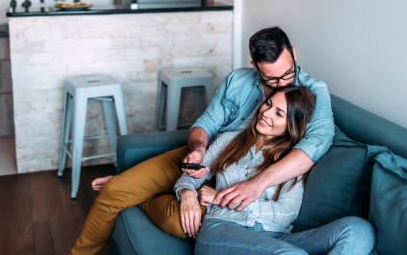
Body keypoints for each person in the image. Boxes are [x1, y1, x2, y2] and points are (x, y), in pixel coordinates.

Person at [70, 27, 335, 254]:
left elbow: (313, 147)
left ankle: (140, 192)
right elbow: (205, 125)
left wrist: (256, 185)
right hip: (212, 155)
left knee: (182, 223)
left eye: (287, 74)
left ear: (294, 54)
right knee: (113, 193)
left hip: (235, 178)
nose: (281, 83)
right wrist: (197, 150)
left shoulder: (314, 92)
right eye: (271, 78)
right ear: (255, 67)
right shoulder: (238, 80)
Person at [176, 86, 375, 255]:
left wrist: (221, 197)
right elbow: (190, 178)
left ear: (292, 125)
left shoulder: (293, 160)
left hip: (276, 238)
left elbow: (286, 213)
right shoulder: (229, 141)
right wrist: (187, 194)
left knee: (360, 229)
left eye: (278, 113)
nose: (266, 113)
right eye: (268, 104)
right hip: (221, 229)